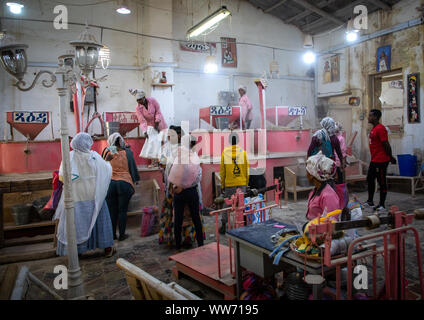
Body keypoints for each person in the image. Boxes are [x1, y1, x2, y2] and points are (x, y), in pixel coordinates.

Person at [54, 132, 115, 257]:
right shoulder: (94, 156)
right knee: (101, 221)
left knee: (77, 224)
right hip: (94, 196)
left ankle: (78, 252)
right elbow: (106, 171)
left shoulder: (69, 157)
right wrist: (108, 162)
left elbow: (61, 178)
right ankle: (107, 248)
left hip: (76, 197)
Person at [158, 126, 205, 248]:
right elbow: (198, 176)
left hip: (176, 191)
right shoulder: (194, 157)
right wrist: (187, 185)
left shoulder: (175, 154)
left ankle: (177, 245)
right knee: (195, 218)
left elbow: (169, 172)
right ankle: (199, 243)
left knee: (177, 219)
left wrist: (171, 188)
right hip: (191, 191)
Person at [102, 133, 140, 241]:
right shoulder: (128, 152)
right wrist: (136, 180)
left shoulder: (107, 151)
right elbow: (133, 168)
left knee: (112, 211)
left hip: (110, 184)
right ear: (121, 141)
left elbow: (102, 165)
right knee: (122, 211)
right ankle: (122, 235)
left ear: (110, 142)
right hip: (124, 183)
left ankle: (112, 235)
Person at [365, 109, 397, 212]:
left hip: (381, 160)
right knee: (370, 179)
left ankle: (382, 205)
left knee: (381, 182)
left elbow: (386, 144)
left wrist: (391, 157)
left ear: (375, 117)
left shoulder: (381, 129)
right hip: (374, 159)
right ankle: (370, 201)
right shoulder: (374, 129)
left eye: (370, 116)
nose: (368, 117)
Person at [219, 132, 249, 234]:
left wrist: (223, 185)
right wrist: (246, 183)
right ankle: (244, 223)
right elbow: (246, 170)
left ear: (229, 141)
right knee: (242, 203)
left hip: (230, 183)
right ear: (238, 141)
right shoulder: (243, 153)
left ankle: (223, 224)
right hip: (241, 183)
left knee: (227, 205)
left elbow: (222, 172)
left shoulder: (225, 153)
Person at [131, 89, 168, 167]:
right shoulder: (138, 108)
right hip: (150, 126)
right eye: (137, 100)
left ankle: (163, 163)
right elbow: (142, 121)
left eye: (140, 99)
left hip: (161, 124)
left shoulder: (152, 100)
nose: (139, 102)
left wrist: (157, 122)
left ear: (144, 97)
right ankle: (154, 163)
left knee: (163, 143)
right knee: (153, 143)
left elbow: (158, 111)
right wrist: (145, 131)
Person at [305, 151, 340, 221]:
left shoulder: (328, 196)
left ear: (313, 175)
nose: (306, 175)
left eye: (307, 172)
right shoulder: (315, 191)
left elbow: (331, 222)